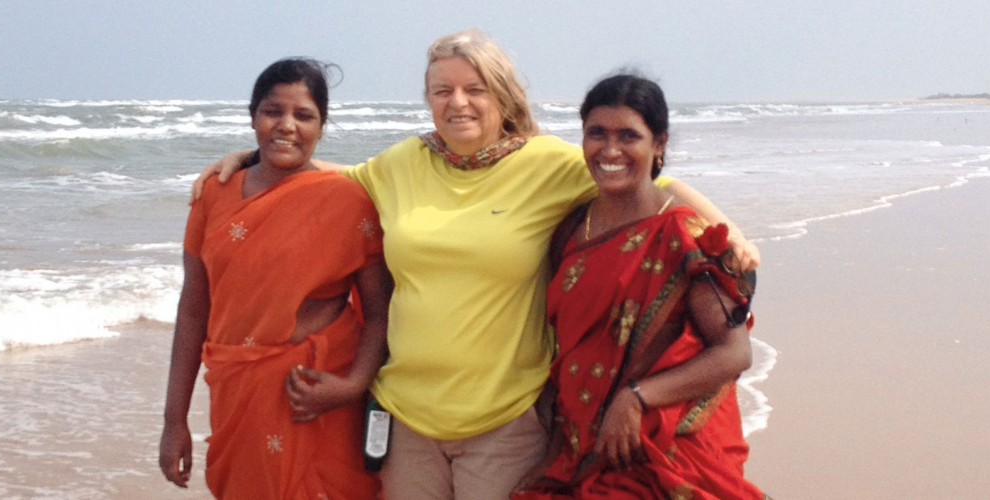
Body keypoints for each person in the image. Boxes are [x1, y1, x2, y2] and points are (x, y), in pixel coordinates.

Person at [192, 31, 760, 500]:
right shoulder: (403, 162)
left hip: (505, 421)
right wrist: (250, 157)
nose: (456, 102)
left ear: (502, 96)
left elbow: (642, 179)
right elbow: (325, 182)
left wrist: (723, 226)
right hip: (405, 415)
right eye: (442, 90)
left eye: (473, 89)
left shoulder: (547, 164)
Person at [511, 73, 770, 500]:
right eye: (596, 133)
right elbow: (569, 354)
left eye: (628, 135)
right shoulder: (570, 231)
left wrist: (634, 399)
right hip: (582, 448)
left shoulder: (684, 236)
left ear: (659, 145)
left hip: (663, 449)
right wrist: (553, 458)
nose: (610, 150)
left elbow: (733, 351)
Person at [158, 58, 389, 500]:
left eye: (304, 115)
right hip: (237, 394)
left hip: (317, 397)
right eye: (272, 111)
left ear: (322, 126)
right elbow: (193, 311)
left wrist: (353, 384)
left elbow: (381, 310)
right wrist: (174, 421)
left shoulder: (350, 200)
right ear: (252, 116)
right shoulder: (214, 194)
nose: (286, 126)